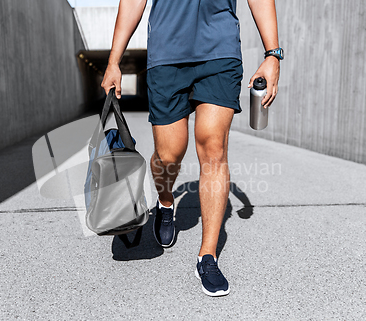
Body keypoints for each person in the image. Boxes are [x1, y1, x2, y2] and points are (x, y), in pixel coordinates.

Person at [101, 0, 282, 297]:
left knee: (214, 148)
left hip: (220, 51)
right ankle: (166, 201)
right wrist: (113, 60)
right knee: (169, 154)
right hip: (166, 54)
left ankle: (207, 256)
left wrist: (273, 54)